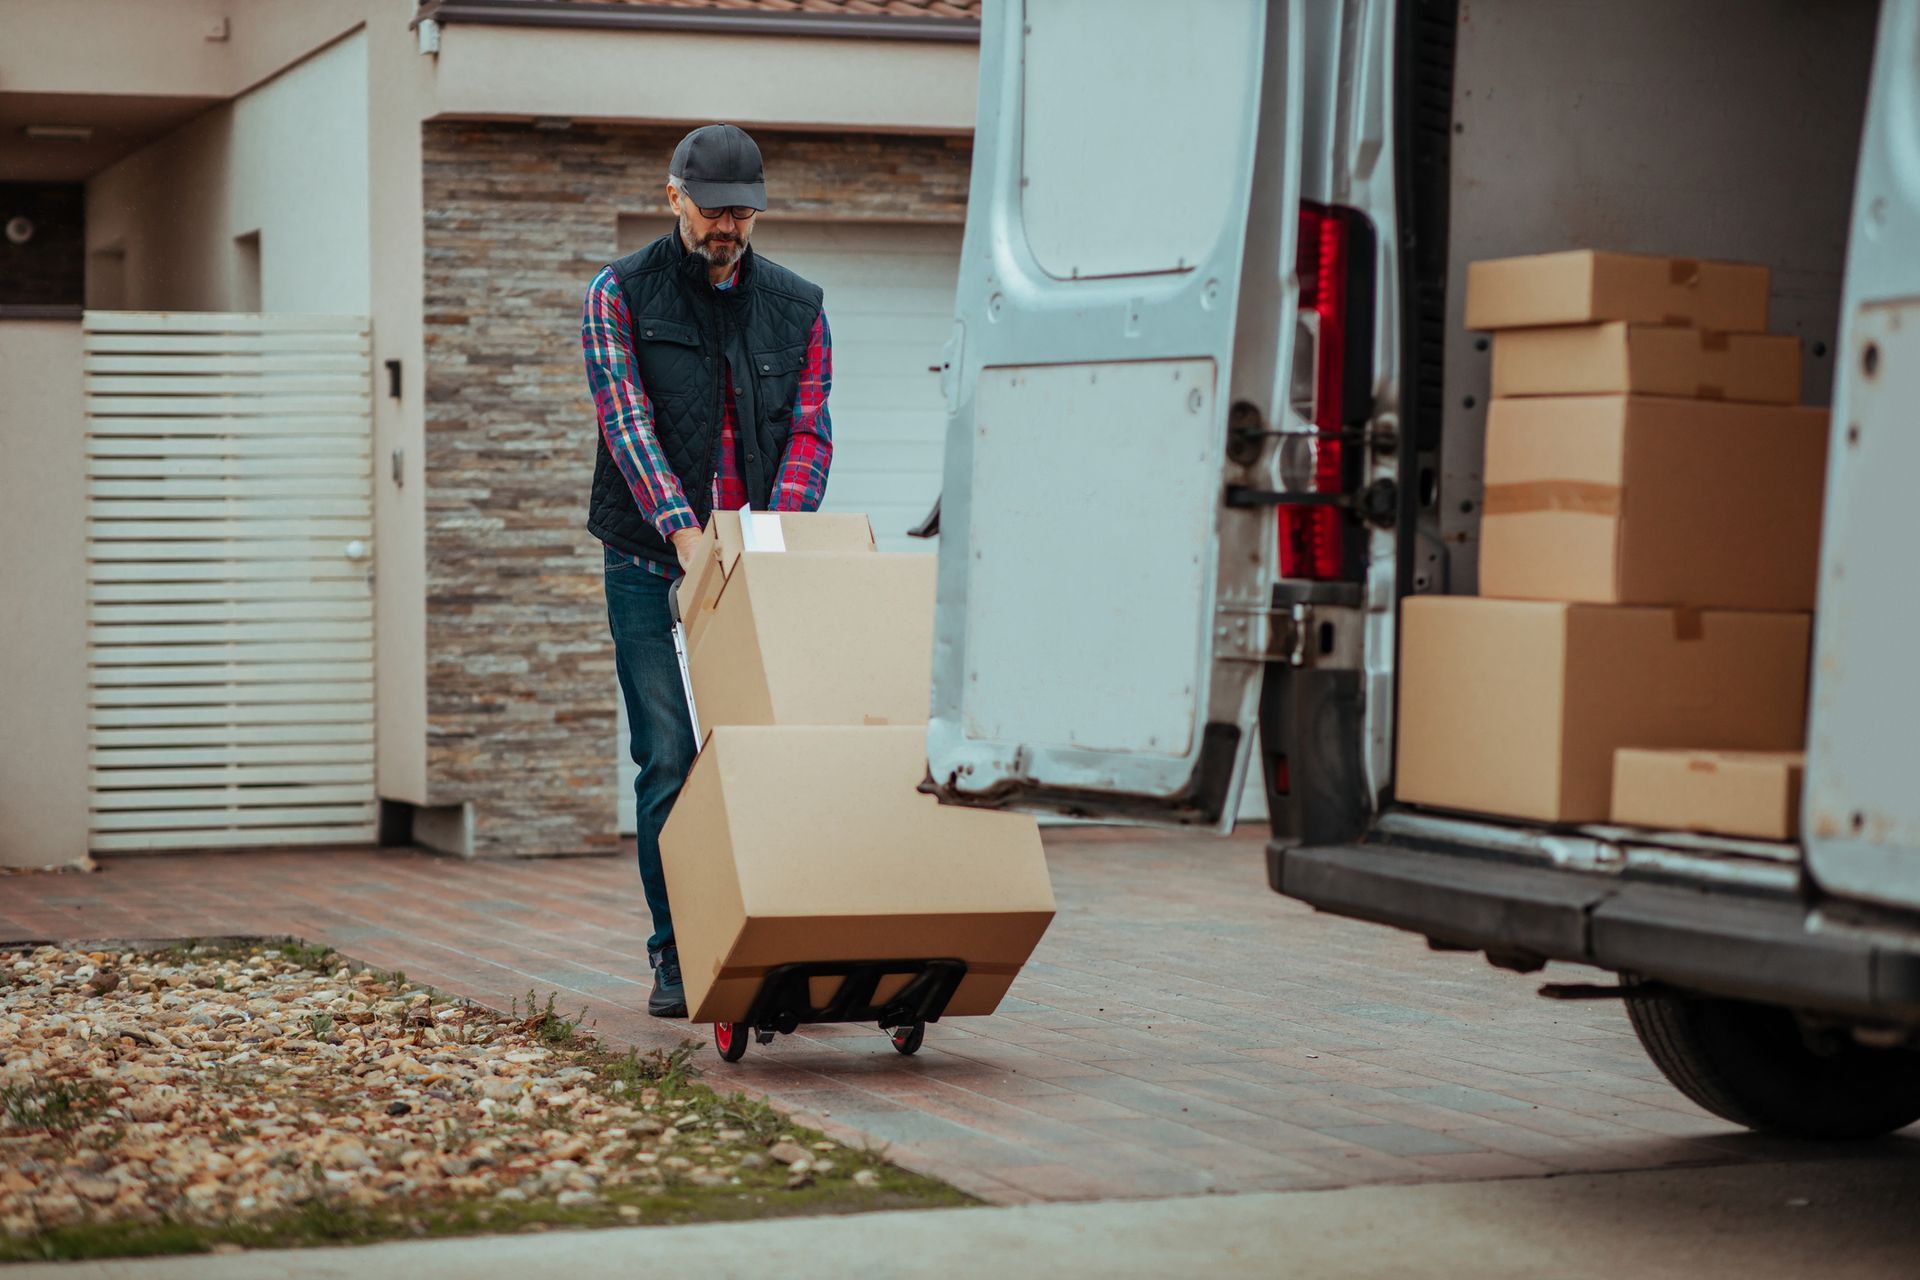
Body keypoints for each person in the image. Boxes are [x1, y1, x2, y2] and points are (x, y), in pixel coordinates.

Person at [581, 123, 833, 1017]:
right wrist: (688, 540)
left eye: (743, 212)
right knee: (670, 760)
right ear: (673, 195)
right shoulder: (620, 294)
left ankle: (769, 942)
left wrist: (769, 536)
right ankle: (676, 952)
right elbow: (629, 425)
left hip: (750, 568)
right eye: (713, 208)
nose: (728, 226)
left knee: (763, 758)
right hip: (654, 562)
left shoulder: (799, 307)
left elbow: (809, 432)